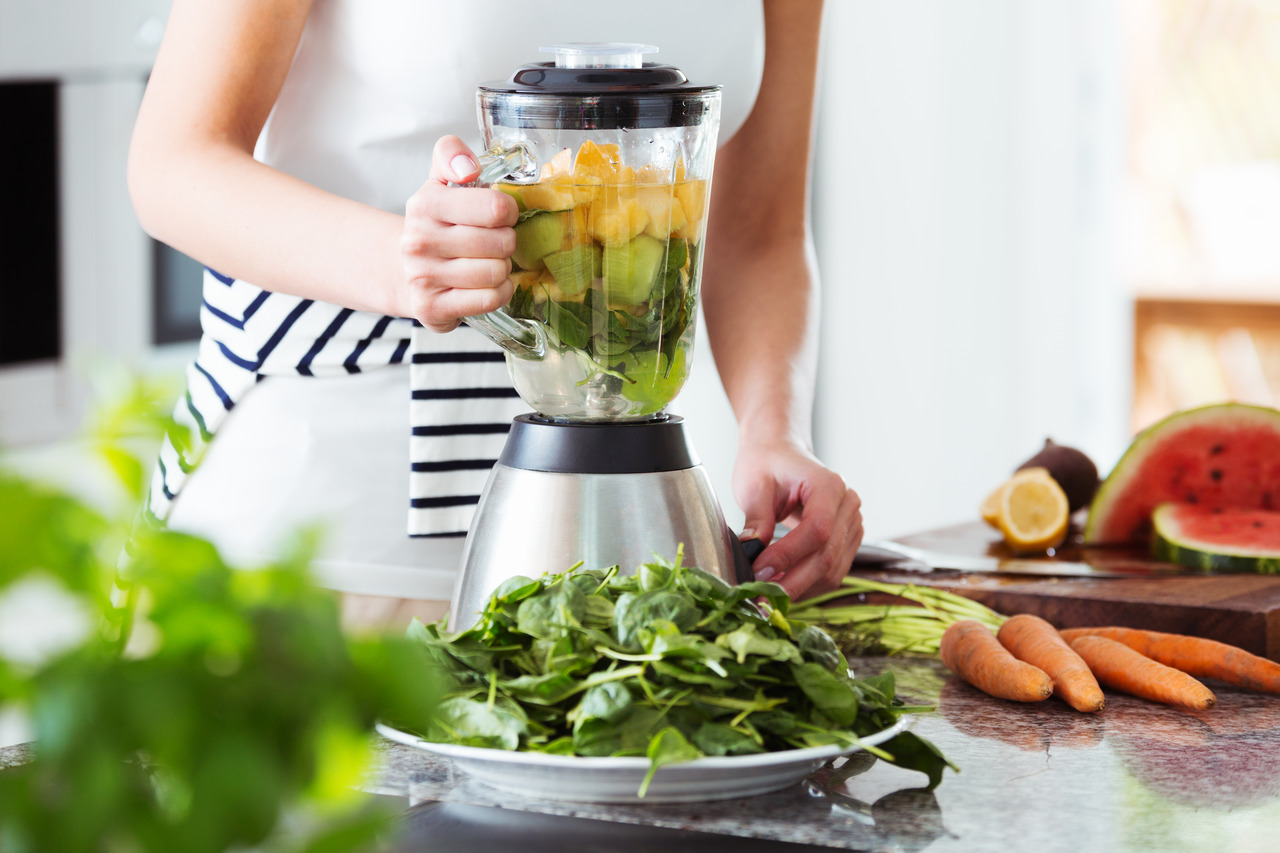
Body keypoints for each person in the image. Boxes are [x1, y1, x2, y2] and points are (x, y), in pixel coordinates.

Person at [127, 0, 862, 627]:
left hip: (614, 564)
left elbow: (757, 229)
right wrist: (402, 262)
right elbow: (171, 165)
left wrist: (775, 430)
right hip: (322, 556)